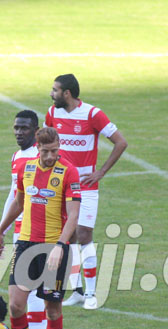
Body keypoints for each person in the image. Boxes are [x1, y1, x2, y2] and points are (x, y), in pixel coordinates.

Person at [0, 127, 81, 329]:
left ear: (59, 146)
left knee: (52, 310)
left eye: (54, 150)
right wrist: (1, 230)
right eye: (46, 152)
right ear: (38, 149)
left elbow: (73, 215)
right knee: (15, 305)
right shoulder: (26, 168)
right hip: (26, 245)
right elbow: (19, 203)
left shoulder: (69, 172)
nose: (51, 156)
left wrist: (60, 245)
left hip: (54, 248)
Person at [45, 73, 127, 310]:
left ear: (67, 93)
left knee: (83, 234)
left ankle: (92, 293)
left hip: (86, 186)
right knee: (67, 236)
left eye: (55, 90)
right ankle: (78, 291)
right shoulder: (52, 113)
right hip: (61, 186)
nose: (51, 94)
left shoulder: (92, 114)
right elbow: (46, 144)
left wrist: (101, 172)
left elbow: (121, 142)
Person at [0, 109, 46, 329]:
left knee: (40, 292)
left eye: (24, 128)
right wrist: (2, 229)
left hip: (44, 232)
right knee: (26, 291)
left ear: (36, 131)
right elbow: (14, 194)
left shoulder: (43, 157)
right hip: (21, 231)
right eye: (16, 127)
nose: (18, 132)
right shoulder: (16, 157)